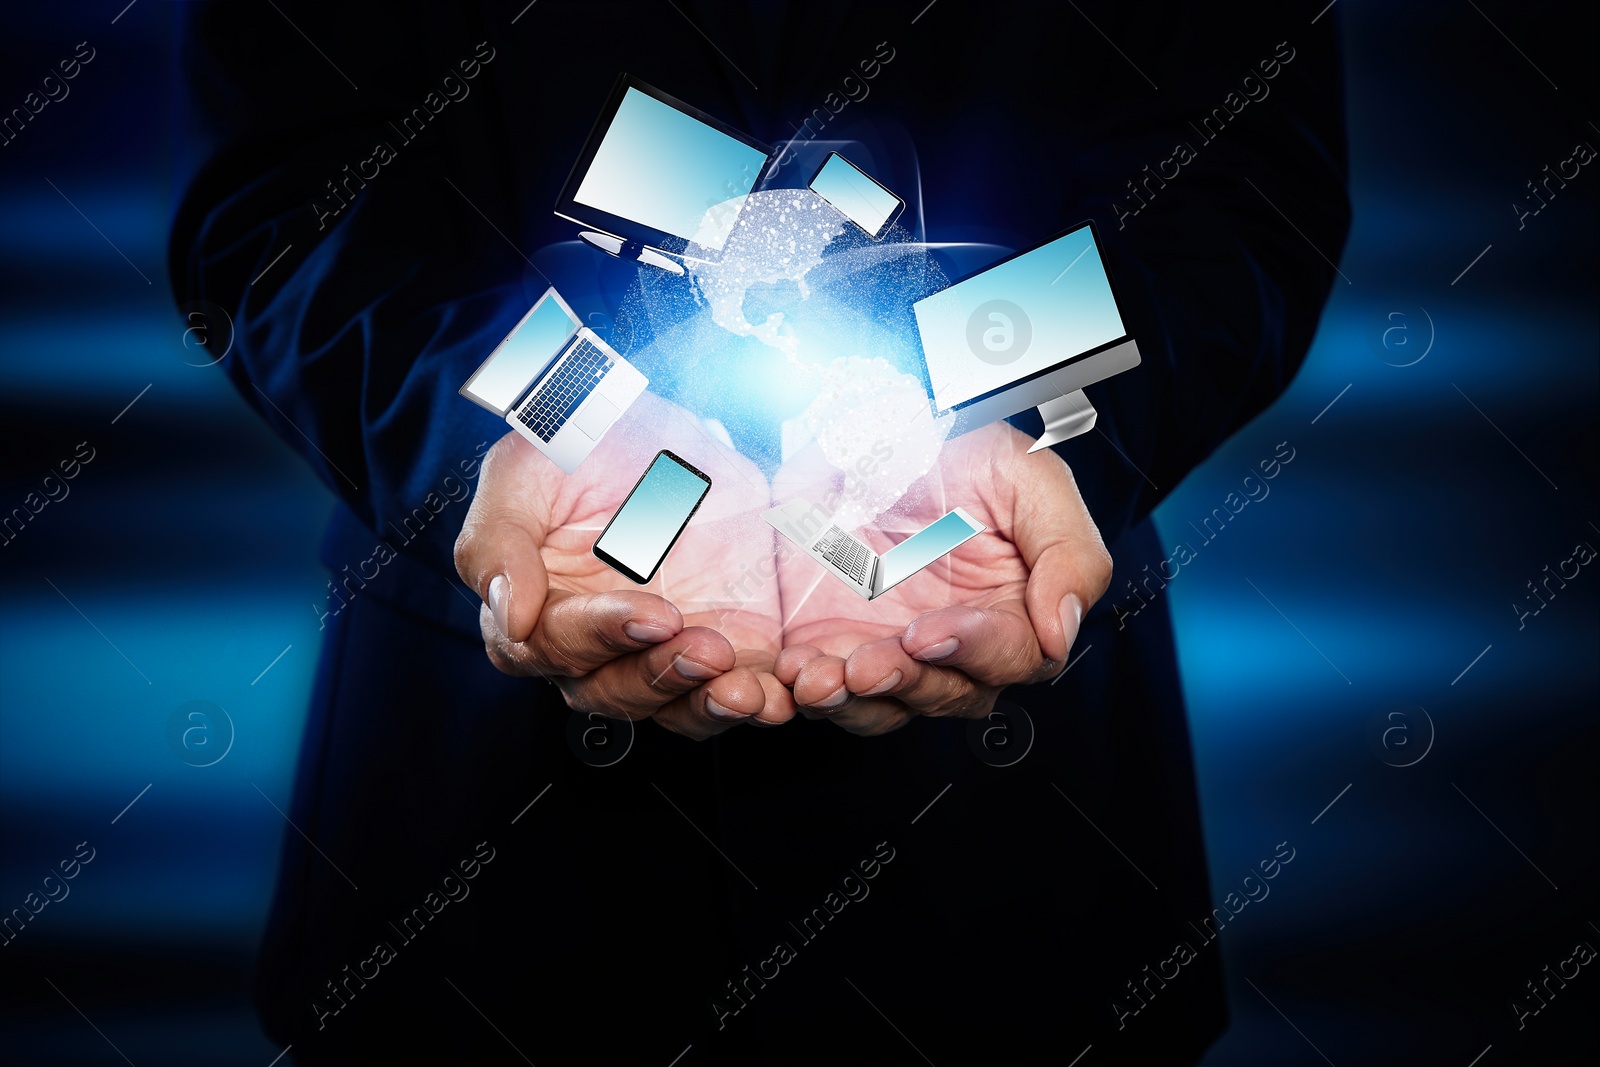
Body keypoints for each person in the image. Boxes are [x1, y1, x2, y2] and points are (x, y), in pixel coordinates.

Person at [170, 3, 1348, 1062]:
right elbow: (288, 206)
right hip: (481, 857)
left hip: (1014, 860)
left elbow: (1234, 190)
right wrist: (567, 412)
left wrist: (984, 407)